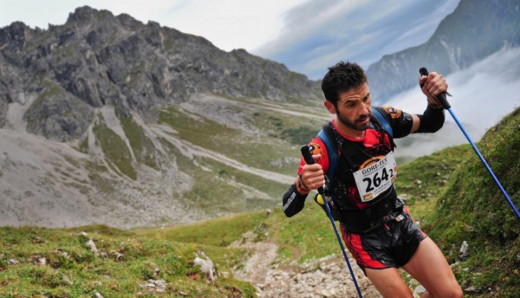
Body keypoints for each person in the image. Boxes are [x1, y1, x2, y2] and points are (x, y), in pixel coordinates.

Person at [282, 61, 463, 297]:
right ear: (331, 107)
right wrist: (303, 185)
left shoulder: (383, 119)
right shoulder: (321, 149)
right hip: (364, 239)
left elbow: (430, 123)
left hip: (398, 220)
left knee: (453, 295)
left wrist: (433, 101)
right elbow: (288, 206)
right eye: (351, 104)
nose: (364, 110)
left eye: (366, 98)